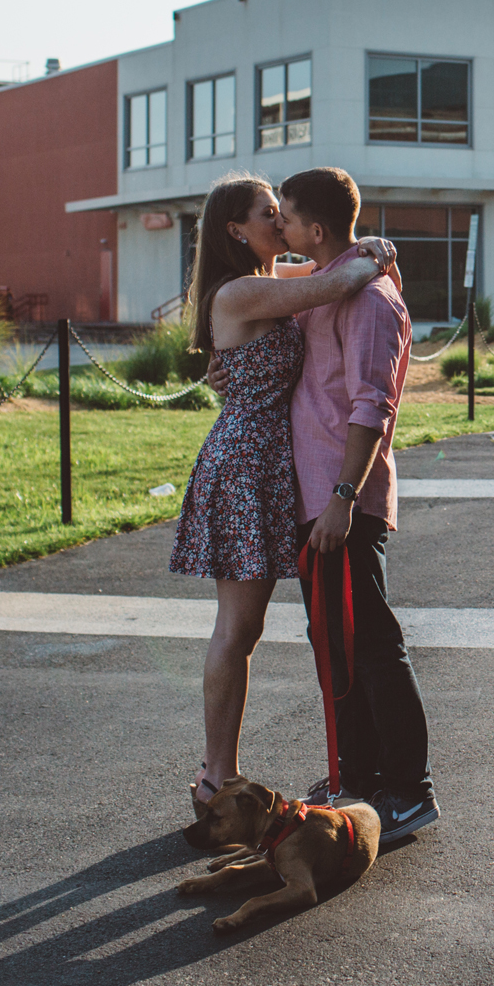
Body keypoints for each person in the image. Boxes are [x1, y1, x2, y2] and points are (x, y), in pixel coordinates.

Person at [169, 171, 398, 814]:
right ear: (235, 230)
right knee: (237, 629)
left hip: (274, 464)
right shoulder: (242, 291)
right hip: (246, 467)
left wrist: (362, 249)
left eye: (282, 211)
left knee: (253, 627)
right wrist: (373, 252)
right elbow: (337, 280)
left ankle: (228, 772)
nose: (280, 221)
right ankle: (217, 777)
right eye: (268, 212)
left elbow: (325, 273)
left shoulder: (270, 285)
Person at [271, 166, 437, 842]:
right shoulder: (326, 287)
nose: (278, 226)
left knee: (372, 646)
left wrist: (343, 497)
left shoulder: (369, 301)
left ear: (314, 227)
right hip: (318, 498)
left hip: (346, 501)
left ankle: (409, 790)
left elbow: (374, 405)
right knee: (336, 644)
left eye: (285, 216)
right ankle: (361, 778)